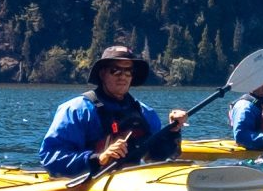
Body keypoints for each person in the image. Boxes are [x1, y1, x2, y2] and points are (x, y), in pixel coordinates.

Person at [39, 44, 188, 177]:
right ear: (102, 74)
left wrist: (173, 131)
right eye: (115, 70)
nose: (123, 76)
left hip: (134, 183)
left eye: (128, 71)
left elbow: (158, 157)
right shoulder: (77, 110)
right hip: (90, 183)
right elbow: (50, 158)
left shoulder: (146, 113)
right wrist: (99, 158)